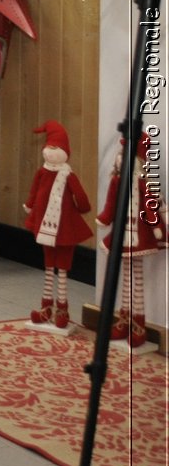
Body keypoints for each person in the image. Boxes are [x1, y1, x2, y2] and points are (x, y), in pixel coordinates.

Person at [22, 120, 91, 333]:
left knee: (63, 267)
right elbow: (35, 191)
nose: (51, 153)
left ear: (65, 152)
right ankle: (46, 307)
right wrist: (30, 205)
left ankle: (62, 309)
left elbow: (80, 196)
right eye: (49, 148)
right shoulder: (42, 172)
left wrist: (83, 208)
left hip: (64, 226)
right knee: (49, 266)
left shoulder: (68, 175)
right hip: (45, 225)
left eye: (56, 149)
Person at [98, 131, 161, 350]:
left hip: (139, 235)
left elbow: (150, 207)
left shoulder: (143, 184)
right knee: (125, 276)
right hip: (123, 234)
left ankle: (138, 323)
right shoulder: (117, 182)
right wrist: (104, 219)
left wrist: (156, 228)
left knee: (138, 279)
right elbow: (111, 205)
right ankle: (123, 318)